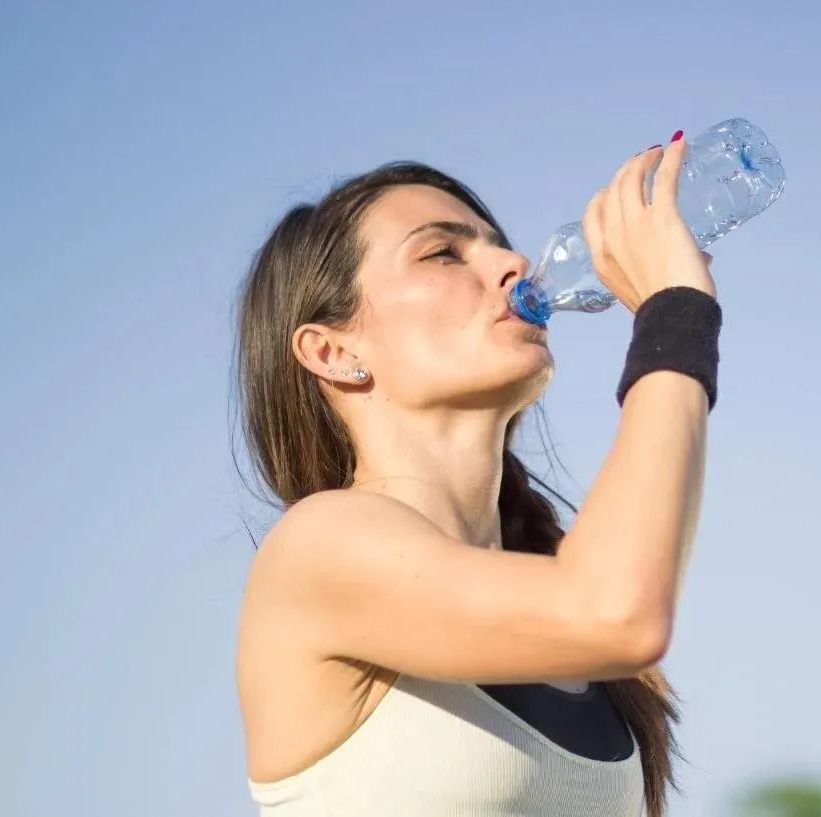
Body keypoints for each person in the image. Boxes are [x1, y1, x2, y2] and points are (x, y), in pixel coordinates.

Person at [234, 128, 721, 817]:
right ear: (333, 350)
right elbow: (620, 610)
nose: (512, 262)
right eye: (442, 252)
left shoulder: (564, 606)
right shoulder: (317, 548)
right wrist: (676, 314)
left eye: (497, 243)